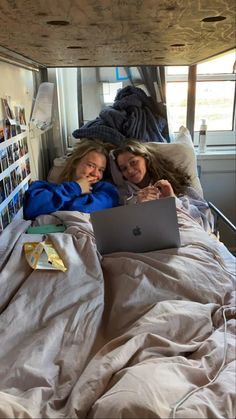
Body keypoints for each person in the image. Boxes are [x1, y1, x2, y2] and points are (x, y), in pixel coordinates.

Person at [111, 139, 214, 232]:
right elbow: (122, 231)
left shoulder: (175, 183)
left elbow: (206, 224)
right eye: (123, 168)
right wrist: (137, 208)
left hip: (184, 236)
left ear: (145, 158)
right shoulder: (123, 194)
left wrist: (173, 200)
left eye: (133, 162)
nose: (129, 170)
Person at [23, 138, 119, 220]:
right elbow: (31, 208)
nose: (95, 173)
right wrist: (76, 187)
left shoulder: (107, 191)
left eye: (101, 170)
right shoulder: (45, 187)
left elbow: (83, 210)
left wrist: (51, 205)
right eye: (91, 165)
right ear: (75, 163)